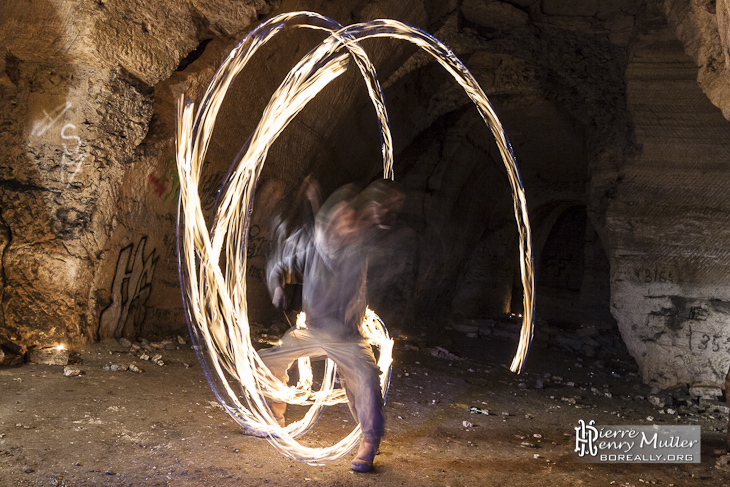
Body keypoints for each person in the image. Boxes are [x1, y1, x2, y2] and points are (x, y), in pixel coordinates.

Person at [258, 178, 402, 472]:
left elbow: (376, 230)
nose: (348, 225)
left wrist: (380, 209)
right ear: (328, 223)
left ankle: (369, 443)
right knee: (268, 360)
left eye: (352, 220)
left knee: (364, 380)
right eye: (340, 219)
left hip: (348, 337)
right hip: (312, 332)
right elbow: (279, 260)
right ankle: (275, 418)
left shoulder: (359, 247)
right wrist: (276, 284)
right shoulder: (313, 244)